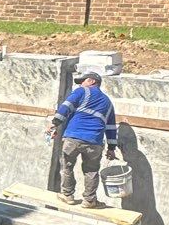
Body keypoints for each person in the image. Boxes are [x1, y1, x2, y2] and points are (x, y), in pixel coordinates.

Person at [47, 69, 120, 207]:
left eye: (83, 81)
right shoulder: (108, 102)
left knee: (67, 166)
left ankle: (67, 195)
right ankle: (89, 200)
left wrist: (54, 124)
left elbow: (66, 107)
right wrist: (111, 148)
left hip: (73, 137)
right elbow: (111, 127)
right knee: (91, 171)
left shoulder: (82, 92)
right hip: (94, 142)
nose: (80, 85)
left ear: (92, 81)